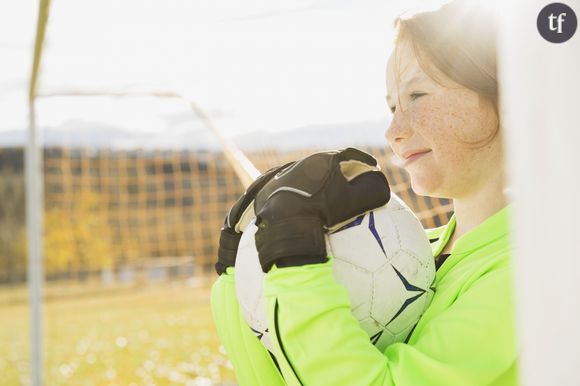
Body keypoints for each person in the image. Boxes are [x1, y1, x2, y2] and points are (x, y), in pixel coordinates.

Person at [211, 1, 517, 385]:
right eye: (391, 107)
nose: (394, 131)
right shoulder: (407, 249)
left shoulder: (532, 273)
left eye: (417, 96)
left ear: (511, 98)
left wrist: (295, 265)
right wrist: (240, 274)